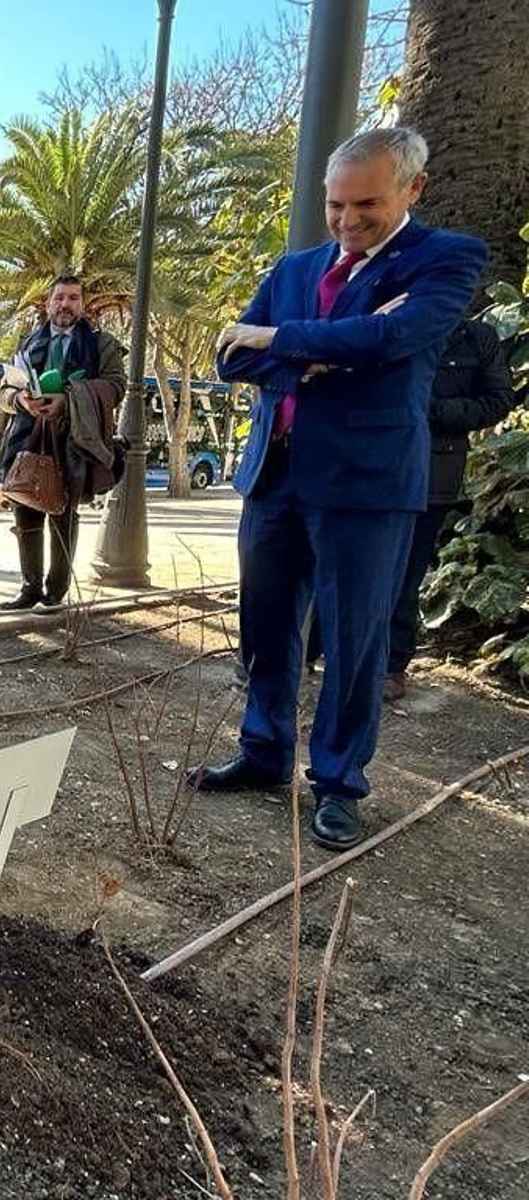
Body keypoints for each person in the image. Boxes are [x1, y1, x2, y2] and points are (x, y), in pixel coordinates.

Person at [192, 127, 487, 851]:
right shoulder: (295, 269)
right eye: (335, 205)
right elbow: (231, 357)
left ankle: (338, 784)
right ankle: (263, 754)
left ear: (413, 189)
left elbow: (393, 342)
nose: (348, 220)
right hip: (276, 476)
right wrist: (312, 353)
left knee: (354, 641)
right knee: (264, 627)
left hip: (365, 484)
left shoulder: (446, 259)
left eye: (366, 204)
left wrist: (279, 340)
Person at [384, 318, 515, 700]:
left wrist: (433, 410)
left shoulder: (476, 337)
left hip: (433, 471)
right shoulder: (388, 317)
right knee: (347, 562)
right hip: (372, 462)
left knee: (407, 574)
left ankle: (392, 665)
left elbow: (499, 400)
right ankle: (320, 650)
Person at [0, 274, 127, 610]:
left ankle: (55, 592)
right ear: (48, 302)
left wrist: (69, 401)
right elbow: (3, 393)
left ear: (82, 304)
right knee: (24, 510)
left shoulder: (102, 345)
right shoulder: (27, 343)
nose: (65, 304)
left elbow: (116, 387)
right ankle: (29, 589)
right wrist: (21, 400)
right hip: (28, 439)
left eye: (73, 298)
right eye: (59, 298)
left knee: (63, 513)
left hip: (73, 442)